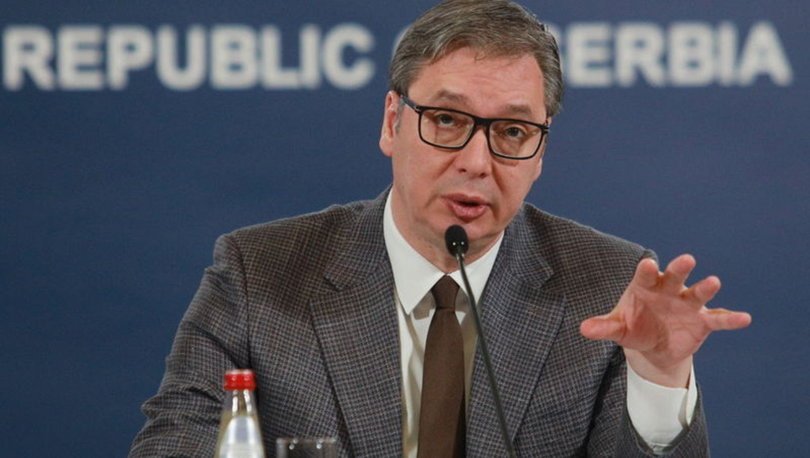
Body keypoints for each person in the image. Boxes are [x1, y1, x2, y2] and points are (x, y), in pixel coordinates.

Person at [129, 0, 752, 456]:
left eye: (512, 132)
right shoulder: (259, 272)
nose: (477, 162)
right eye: (448, 120)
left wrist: (659, 378)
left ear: (540, 154)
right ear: (392, 123)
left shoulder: (606, 286)